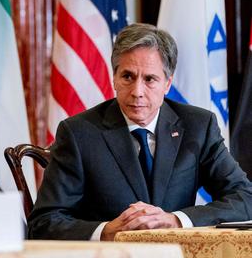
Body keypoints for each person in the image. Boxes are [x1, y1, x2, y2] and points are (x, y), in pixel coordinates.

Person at [28, 23, 252, 241]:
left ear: (167, 83)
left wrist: (176, 220)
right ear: (114, 78)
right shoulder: (79, 133)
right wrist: (105, 232)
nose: (137, 92)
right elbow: (44, 222)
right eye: (127, 77)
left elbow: (245, 197)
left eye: (149, 79)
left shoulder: (198, 126)